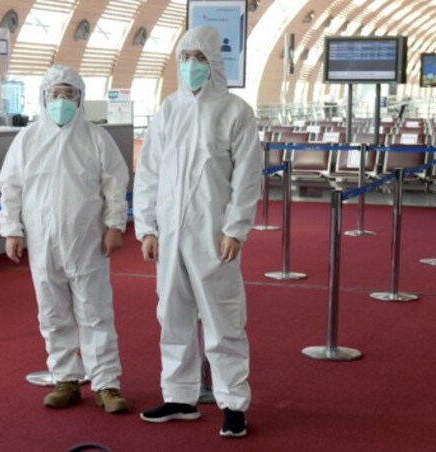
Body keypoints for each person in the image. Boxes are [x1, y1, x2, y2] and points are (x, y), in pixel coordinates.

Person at [132, 26, 262, 437]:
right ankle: (179, 395)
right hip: (169, 234)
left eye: (199, 58)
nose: (191, 65)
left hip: (212, 233)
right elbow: (149, 171)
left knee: (223, 319)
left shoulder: (235, 111)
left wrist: (235, 228)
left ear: (214, 63)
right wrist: (147, 227)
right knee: (171, 315)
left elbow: (246, 177)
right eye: (185, 57)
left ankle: (233, 404)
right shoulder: (168, 110)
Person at [0, 65, 130, 414]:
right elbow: (11, 187)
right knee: (53, 312)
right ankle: (66, 379)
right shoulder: (27, 139)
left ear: (80, 98)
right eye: (54, 94)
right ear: (43, 98)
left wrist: (114, 225)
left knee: (95, 312)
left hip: (87, 239)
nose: (61, 101)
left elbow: (115, 184)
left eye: (68, 94)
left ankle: (106, 384)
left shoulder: (96, 138)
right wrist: (12, 229)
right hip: (42, 242)